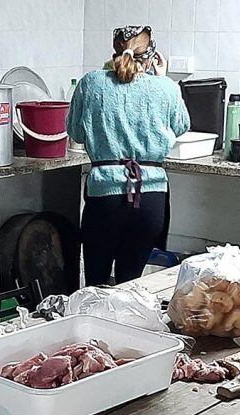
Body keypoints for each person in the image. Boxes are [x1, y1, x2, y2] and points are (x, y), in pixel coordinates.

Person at [67, 25, 189, 286]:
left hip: (105, 196)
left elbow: (75, 132)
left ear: (115, 53)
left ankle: (93, 324)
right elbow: (180, 125)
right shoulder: (165, 88)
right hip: (151, 198)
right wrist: (164, 78)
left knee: (96, 284)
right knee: (130, 284)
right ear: (151, 57)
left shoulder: (92, 82)